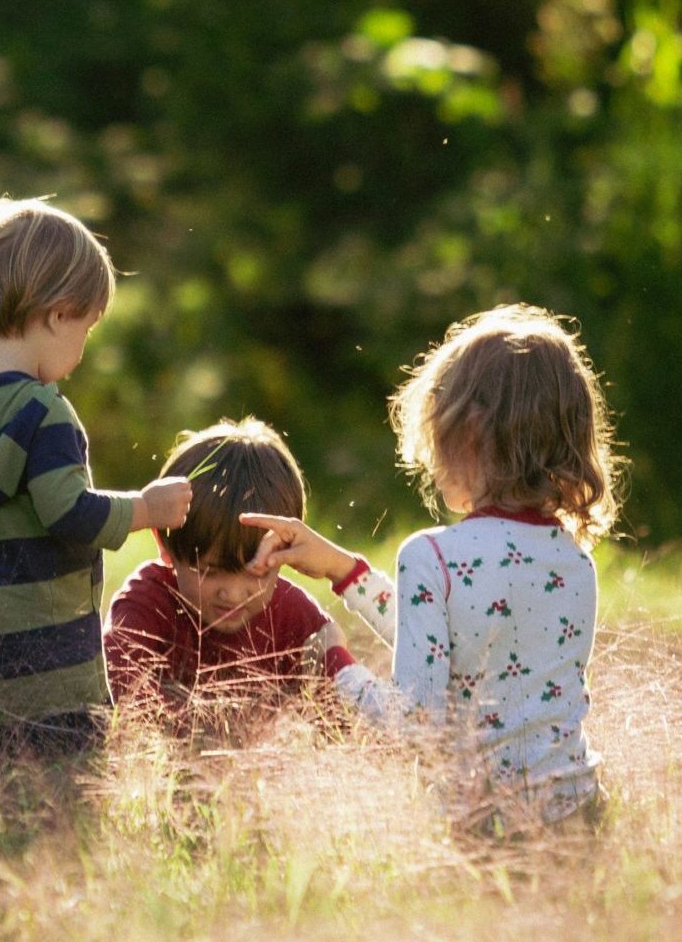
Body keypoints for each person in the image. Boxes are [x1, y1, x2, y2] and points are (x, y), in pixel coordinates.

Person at [240, 304, 621, 826]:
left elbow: (415, 723)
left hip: (484, 833)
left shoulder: (432, 556)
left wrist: (334, 666)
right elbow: (461, 640)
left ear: (466, 433)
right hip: (579, 817)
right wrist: (342, 571)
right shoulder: (574, 561)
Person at [0, 198, 192, 766]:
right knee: (64, 780)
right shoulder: (44, 411)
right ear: (59, 315)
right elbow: (71, 514)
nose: (82, 349)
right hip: (47, 652)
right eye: (85, 329)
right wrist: (146, 508)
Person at [103, 418, 357, 730]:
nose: (233, 594)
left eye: (258, 573)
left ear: (284, 554)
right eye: (210, 572)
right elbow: (128, 708)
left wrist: (332, 655)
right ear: (166, 544)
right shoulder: (147, 606)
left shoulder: (294, 617)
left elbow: (347, 725)